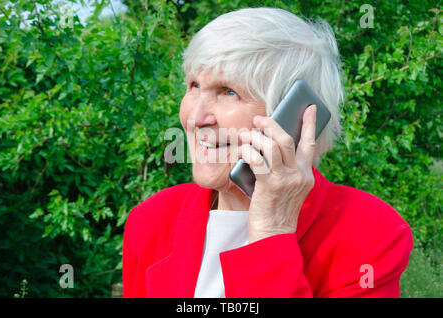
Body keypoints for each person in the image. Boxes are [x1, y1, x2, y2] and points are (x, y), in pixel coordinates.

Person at [122, 7, 413, 298]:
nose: (196, 117)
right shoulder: (150, 221)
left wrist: (270, 231)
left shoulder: (370, 234)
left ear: (295, 119)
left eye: (228, 91)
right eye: (194, 85)